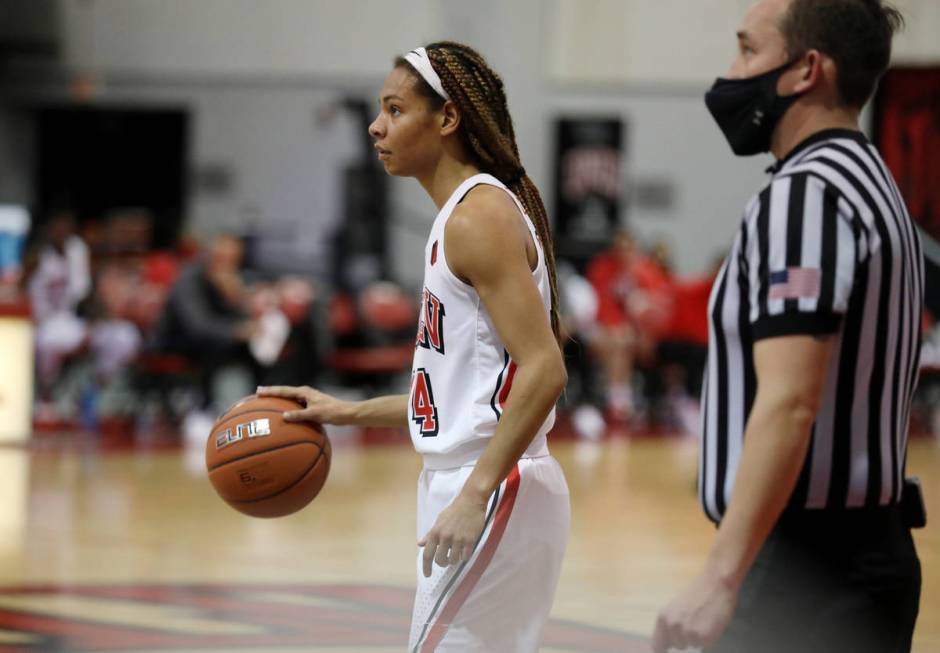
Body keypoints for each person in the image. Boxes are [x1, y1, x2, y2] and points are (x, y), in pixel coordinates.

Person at [259, 42, 569, 652]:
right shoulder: (460, 217)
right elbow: (465, 394)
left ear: (448, 118)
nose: (377, 126)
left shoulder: (477, 219)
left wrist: (477, 492)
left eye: (396, 109)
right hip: (480, 480)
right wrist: (343, 411)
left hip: (492, 484)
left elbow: (545, 368)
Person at [653, 1, 923, 652]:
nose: (730, 71)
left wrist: (721, 575)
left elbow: (791, 400)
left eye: (747, 50)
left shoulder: (808, 193)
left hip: (806, 569)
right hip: (862, 554)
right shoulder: (873, 182)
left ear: (807, 70)